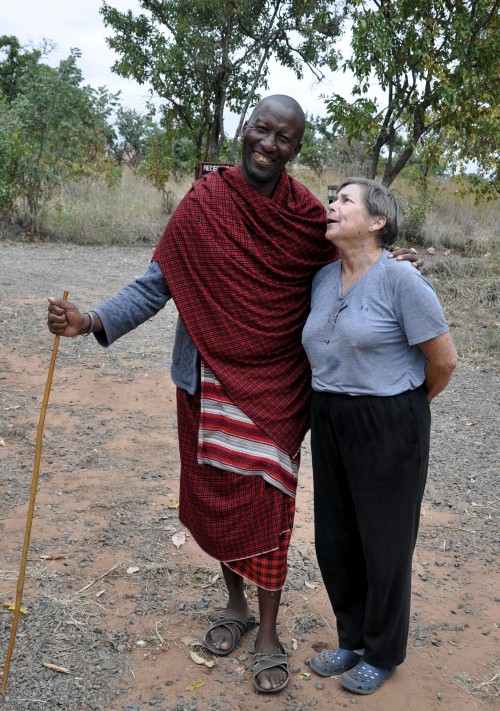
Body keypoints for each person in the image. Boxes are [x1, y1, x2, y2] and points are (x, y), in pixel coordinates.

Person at [47, 96, 421, 694]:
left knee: (269, 503)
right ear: (244, 129)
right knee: (218, 497)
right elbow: (156, 285)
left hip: (275, 384)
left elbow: (354, 256)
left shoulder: (305, 215)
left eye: (284, 138)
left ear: (297, 149)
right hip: (204, 377)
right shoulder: (203, 202)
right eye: (261, 130)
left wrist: (391, 261)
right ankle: (235, 606)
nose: (268, 145)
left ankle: (269, 631)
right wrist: (91, 319)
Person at [302, 177, 457, 695]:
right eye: (333, 198)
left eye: (345, 200)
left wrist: (405, 407)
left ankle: (384, 651)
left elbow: (443, 361)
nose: (332, 206)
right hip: (328, 416)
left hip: (389, 420)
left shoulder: (402, 280)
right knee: (336, 537)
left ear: (376, 221)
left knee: (385, 543)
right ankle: (351, 638)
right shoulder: (323, 279)